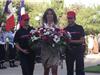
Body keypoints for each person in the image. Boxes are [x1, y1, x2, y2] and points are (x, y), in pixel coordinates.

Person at [64, 11, 85, 75]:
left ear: (74, 18)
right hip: (69, 51)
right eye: (68, 18)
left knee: (80, 70)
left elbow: (82, 40)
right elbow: (64, 42)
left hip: (79, 50)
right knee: (69, 70)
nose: (70, 19)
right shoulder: (65, 29)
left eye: (71, 18)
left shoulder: (79, 27)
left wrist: (71, 41)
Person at [40, 8, 60, 75]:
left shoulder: (57, 27)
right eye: (48, 14)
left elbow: (60, 39)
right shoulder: (42, 27)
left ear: (53, 15)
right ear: (45, 16)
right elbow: (39, 39)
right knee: (46, 71)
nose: (49, 15)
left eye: (51, 14)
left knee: (54, 71)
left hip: (55, 52)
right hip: (45, 51)